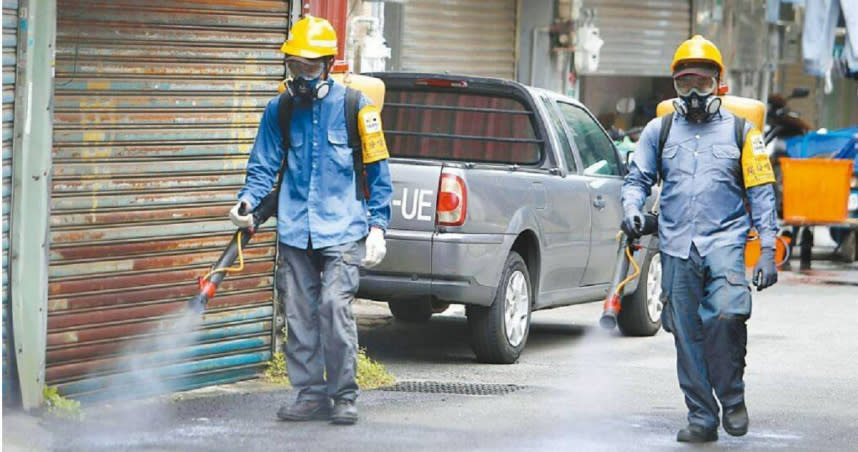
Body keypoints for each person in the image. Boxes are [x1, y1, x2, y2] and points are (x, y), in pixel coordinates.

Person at [230, 16, 393, 425]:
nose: (301, 77)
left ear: (329, 64)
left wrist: (378, 227)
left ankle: (343, 395)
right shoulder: (280, 109)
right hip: (295, 231)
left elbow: (379, 174)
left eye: (309, 68)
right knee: (301, 315)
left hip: (343, 231)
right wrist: (248, 202)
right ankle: (310, 394)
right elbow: (263, 166)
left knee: (333, 308)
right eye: (294, 68)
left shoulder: (358, 108)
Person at [621, 35, 778, 443]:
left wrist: (766, 252)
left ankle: (732, 396)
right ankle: (702, 418)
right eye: (684, 83)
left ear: (718, 84)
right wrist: (633, 209)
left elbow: (761, 194)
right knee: (686, 335)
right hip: (675, 246)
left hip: (724, 243)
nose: (693, 93)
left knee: (726, 317)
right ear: (673, 85)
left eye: (702, 83)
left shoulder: (744, 132)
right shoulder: (660, 130)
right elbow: (637, 180)